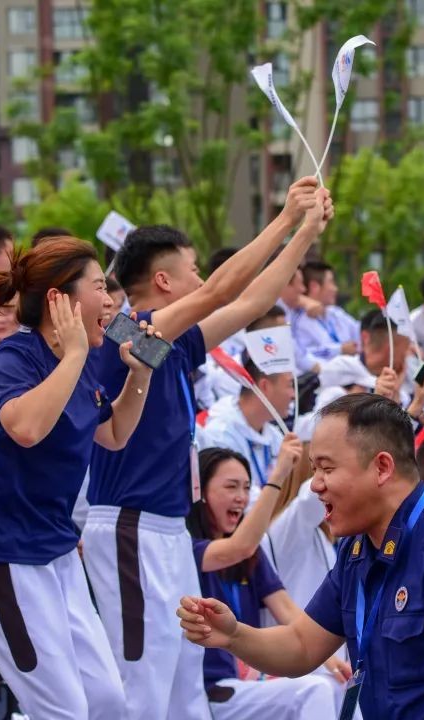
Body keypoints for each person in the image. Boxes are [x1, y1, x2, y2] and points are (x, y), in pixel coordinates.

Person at [82, 178, 330, 720]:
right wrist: (286, 216)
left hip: (170, 529)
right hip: (130, 525)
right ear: (165, 281)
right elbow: (222, 290)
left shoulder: (170, 342)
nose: (202, 278)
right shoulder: (130, 332)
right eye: (193, 268)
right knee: (142, 681)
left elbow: (253, 301)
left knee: (183, 675)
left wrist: (306, 233)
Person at [179, 393, 424, 718]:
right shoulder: (358, 549)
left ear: (382, 468)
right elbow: (302, 646)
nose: (316, 484)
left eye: (326, 467)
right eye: (314, 469)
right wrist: (233, 635)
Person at [0, 237, 160, 720]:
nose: (111, 302)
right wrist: (72, 356)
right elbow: (25, 428)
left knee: (107, 702)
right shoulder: (16, 356)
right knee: (62, 710)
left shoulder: (82, 363)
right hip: (1, 558)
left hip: (57, 554)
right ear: (59, 300)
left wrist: (140, 374)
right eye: (98, 289)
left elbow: (114, 433)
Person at [189, 445, 344, 719]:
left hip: (252, 680)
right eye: (231, 487)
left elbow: (286, 609)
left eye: (246, 488)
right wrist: (279, 474)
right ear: (200, 491)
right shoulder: (189, 549)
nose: (241, 497)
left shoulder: (251, 556)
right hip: (210, 689)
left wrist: (328, 659)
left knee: (339, 686)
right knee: (314, 690)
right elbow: (240, 547)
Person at [200, 311, 293, 494]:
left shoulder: (275, 436)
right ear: (265, 386)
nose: (294, 395)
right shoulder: (220, 435)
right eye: (289, 386)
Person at [291, 260, 360, 364]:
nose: (335, 289)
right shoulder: (298, 320)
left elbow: (359, 331)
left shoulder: (335, 313)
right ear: (315, 286)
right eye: (331, 282)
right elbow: (300, 354)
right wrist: (339, 349)